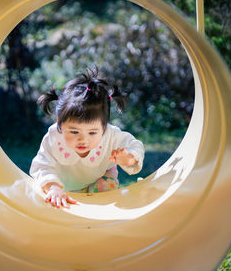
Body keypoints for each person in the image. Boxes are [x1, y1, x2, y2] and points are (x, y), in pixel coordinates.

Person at [30, 67, 145, 208]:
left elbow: (135, 145)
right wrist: (53, 187)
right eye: (74, 132)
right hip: (64, 185)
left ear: (104, 126)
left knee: (105, 194)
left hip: (100, 178)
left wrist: (130, 157)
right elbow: (42, 165)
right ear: (59, 121)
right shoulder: (53, 136)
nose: (83, 139)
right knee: (58, 203)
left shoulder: (110, 134)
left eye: (92, 133)